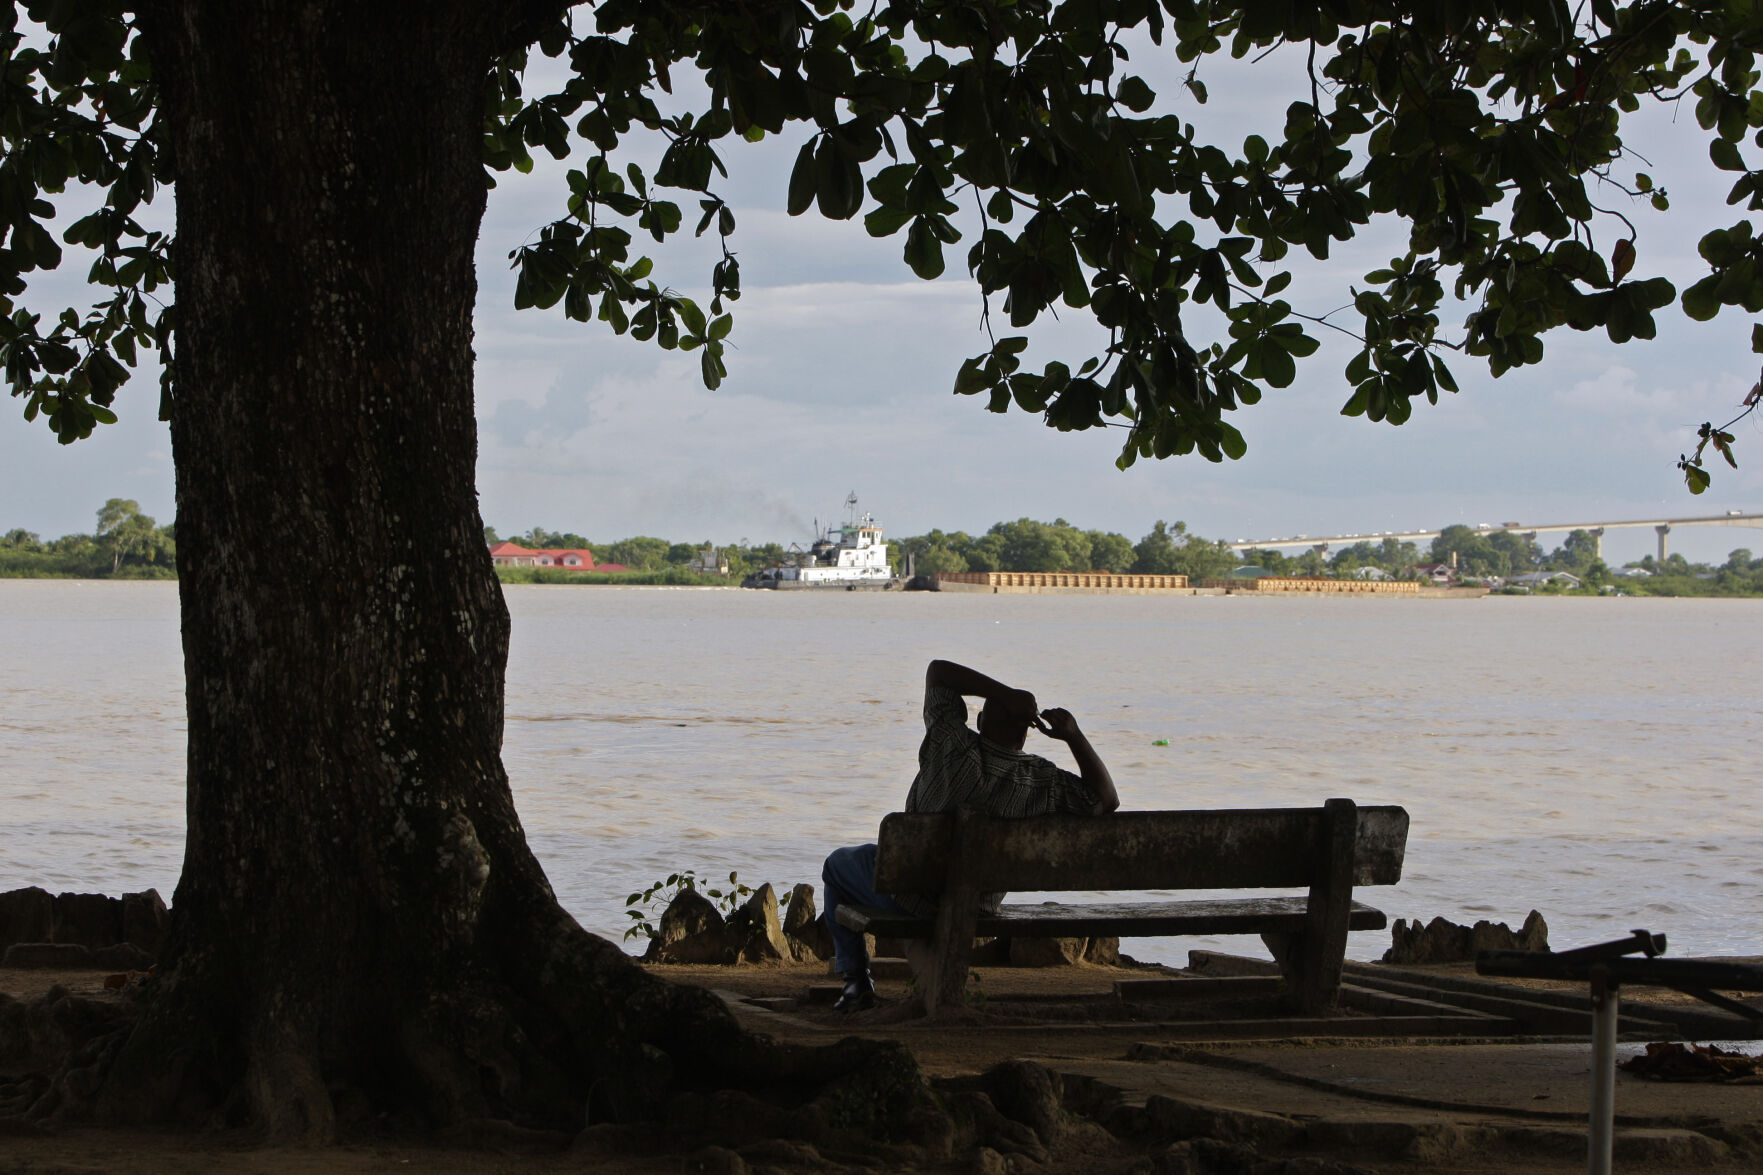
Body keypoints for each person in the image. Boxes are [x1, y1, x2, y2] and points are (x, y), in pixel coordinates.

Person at [821, 659, 1119, 1012]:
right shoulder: (1042, 781)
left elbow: (938, 672)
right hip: (980, 908)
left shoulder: (951, 744)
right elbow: (1106, 799)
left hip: (911, 895)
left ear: (979, 721)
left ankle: (856, 982)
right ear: (1027, 732)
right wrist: (1073, 734)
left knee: (836, 866)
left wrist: (1003, 694)